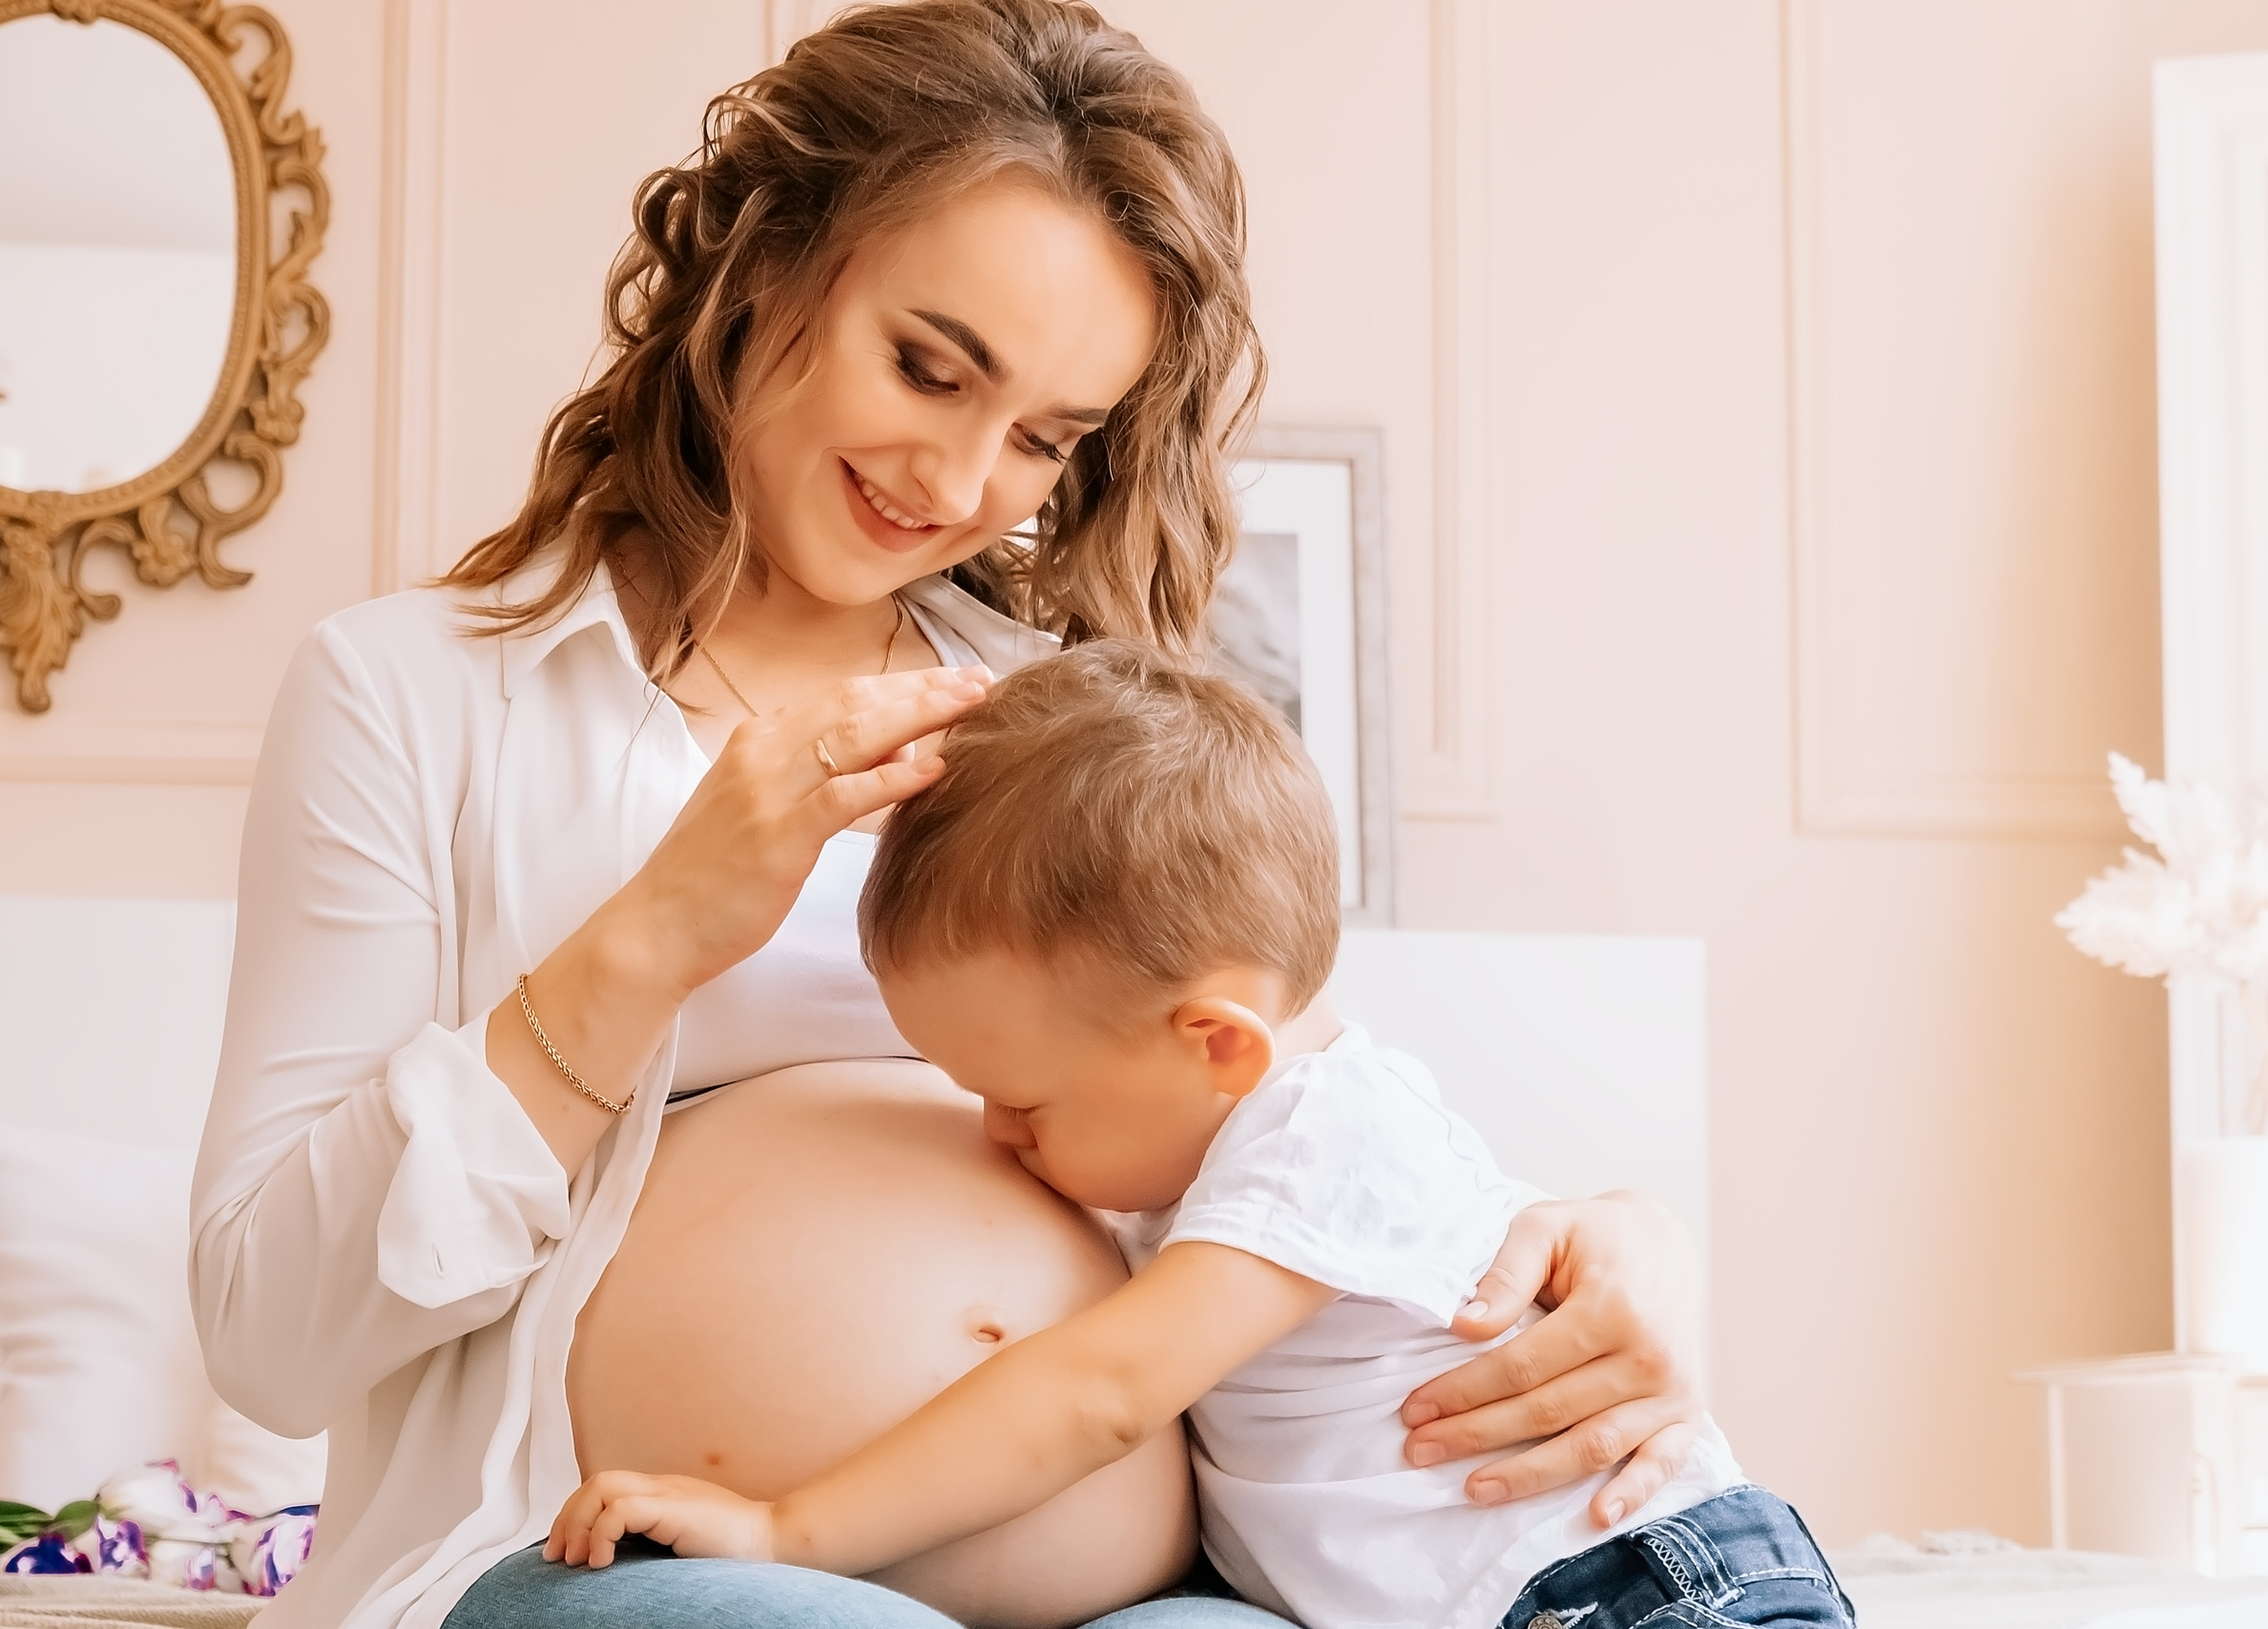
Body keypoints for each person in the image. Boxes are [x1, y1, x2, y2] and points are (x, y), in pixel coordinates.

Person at [191, 4, 1714, 1627]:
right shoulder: (416, 698)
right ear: (764, 264)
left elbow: (1292, 1104)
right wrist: (655, 932)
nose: (966, 480)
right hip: (635, 1557)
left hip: (1180, 1578)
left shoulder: (1057, 714)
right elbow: (270, 1342)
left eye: (1047, 439)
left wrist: (1616, 1235)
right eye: (929, 366)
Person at [544, 645, 1854, 1629]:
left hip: (1625, 1594)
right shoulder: (1230, 1121)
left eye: (1023, 1100)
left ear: (1214, 1042)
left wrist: (790, 1526)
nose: (995, 1137)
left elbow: (1099, 1394)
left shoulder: (1319, 1143)